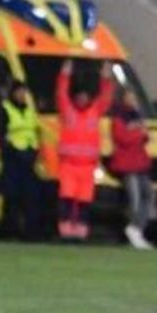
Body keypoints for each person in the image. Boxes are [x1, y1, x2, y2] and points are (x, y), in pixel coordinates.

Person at [56, 59, 113, 239]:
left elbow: (105, 97)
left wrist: (105, 77)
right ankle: (65, 228)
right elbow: (61, 94)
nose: (82, 99)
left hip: (87, 167)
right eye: (79, 96)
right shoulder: (68, 111)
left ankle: (80, 229)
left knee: (84, 200)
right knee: (67, 198)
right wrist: (65, 74)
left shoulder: (94, 111)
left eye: (85, 96)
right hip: (69, 166)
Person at [0, 79, 42, 240]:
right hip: (12, 159)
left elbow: (34, 132)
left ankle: (29, 232)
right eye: (19, 92)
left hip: (28, 159)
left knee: (30, 198)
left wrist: (34, 151)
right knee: (11, 197)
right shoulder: (5, 110)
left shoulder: (29, 111)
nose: (22, 95)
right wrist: (10, 149)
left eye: (24, 92)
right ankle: (9, 231)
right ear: (13, 93)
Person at [110, 88, 154, 250]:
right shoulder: (118, 118)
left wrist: (140, 132)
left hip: (141, 163)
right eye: (130, 97)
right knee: (134, 200)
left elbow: (146, 136)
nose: (133, 100)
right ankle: (133, 229)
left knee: (148, 195)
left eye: (134, 97)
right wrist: (138, 132)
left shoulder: (137, 116)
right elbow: (123, 138)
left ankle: (137, 228)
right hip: (127, 165)